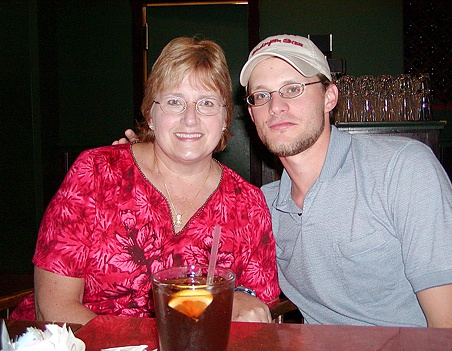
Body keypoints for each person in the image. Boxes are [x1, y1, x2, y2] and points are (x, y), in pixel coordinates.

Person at [11, 37, 280, 325]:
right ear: (150, 114)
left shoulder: (248, 205)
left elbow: (257, 309)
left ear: (226, 117)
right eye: (174, 102)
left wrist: (237, 297)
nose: (190, 118)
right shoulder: (96, 173)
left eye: (206, 103)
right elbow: (53, 308)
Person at [239, 34, 452, 327]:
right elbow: (231, 276)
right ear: (251, 113)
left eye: (293, 89)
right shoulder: (263, 206)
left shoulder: (402, 169)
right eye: (262, 95)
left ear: (329, 97)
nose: (276, 106)